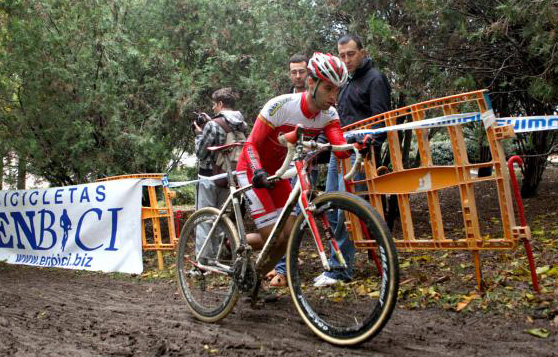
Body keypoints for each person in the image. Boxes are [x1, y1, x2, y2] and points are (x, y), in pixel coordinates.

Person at [236, 52, 350, 276]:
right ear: (311, 83)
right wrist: (258, 171)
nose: (333, 97)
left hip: (279, 172)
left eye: (338, 90)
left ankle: (254, 280)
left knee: (288, 237)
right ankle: (227, 244)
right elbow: (250, 145)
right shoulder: (280, 106)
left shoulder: (329, 114)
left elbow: (339, 147)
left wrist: (359, 146)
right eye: (328, 88)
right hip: (252, 169)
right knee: (273, 235)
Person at [313, 34, 392, 287]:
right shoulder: (343, 82)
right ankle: (341, 266)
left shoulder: (375, 78)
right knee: (332, 207)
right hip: (340, 151)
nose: (346, 59)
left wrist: (368, 147)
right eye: (342, 55)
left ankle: (341, 270)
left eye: (351, 54)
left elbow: (381, 120)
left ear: (363, 52)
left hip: (360, 155)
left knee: (346, 209)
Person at [266, 53, 309, 288]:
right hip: (288, 166)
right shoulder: (288, 99)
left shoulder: (316, 97)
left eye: (301, 71)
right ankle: (282, 265)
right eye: (293, 71)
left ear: (308, 72)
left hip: (306, 165)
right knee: (285, 217)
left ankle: (285, 268)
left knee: (297, 218)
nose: (297, 76)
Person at [194, 87, 247, 260]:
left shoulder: (212, 125)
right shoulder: (241, 123)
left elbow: (201, 153)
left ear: (220, 103)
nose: (213, 109)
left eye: (214, 105)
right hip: (228, 176)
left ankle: (204, 260)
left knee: (205, 219)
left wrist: (199, 134)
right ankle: (219, 255)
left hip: (209, 176)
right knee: (221, 219)